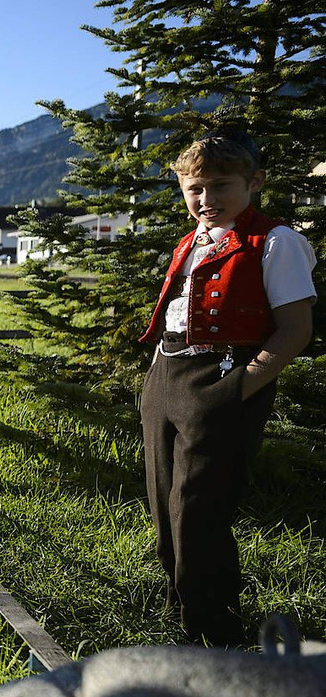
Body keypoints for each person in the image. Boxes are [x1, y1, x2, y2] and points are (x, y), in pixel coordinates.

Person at [139, 131, 316, 645]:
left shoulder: (276, 241)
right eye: (195, 188)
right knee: (163, 501)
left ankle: (216, 636)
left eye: (221, 186)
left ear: (254, 183)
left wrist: (238, 389)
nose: (206, 200)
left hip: (221, 379)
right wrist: (156, 377)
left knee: (199, 511)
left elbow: (296, 330)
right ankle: (180, 616)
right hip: (166, 377)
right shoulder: (191, 240)